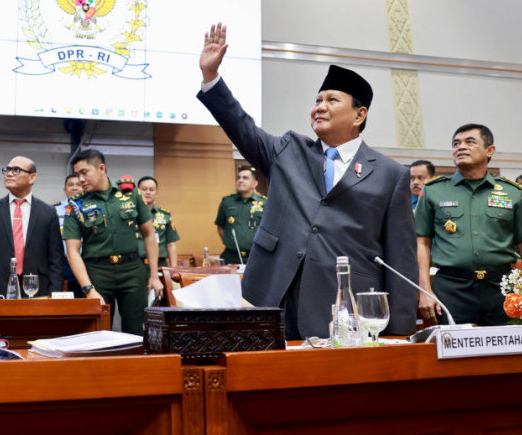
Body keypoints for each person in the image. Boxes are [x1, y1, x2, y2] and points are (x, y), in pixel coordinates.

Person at [197, 22, 418, 340]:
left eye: (331, 100)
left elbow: (401, 261)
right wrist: (211, 78)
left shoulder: (389, 174)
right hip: (272, 293)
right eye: (317, 100)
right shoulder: (288, 150)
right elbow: (241, 125)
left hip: (342, 305)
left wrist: (399, 335)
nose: (319, 107)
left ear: (359, 115)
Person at [415, 124, 522, 326]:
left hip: (503, 288)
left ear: (490, 150)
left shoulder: (512, 193)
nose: (460, 147)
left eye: (469, 142)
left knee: (508, 352)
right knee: (454, 354)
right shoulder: (433, 191)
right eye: (456, 143)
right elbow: (421, 243)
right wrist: (424, 290)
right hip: (451, 289)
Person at [63, 149, 163, 335]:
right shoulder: (76, 205)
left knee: (138, 333)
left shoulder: (130, 194)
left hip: (132, 270)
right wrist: (88, 290)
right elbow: (72, 251)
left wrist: (154, 275)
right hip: (97, 273)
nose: (80, 180)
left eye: (84, 173)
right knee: (100, 334)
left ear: (101, 168)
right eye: (77, 174)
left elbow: (149, 234)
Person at [0, 156, 64, 297]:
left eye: (16, 170)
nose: (9, 174)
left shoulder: (48, 213)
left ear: (32, 177)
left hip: (39, 290)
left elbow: (56, 260)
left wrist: (54, 294)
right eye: (7, 169)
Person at [215, 167, 266, 264]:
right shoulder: (227, 202)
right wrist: (230, 242)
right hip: (231, 257)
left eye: (245, 178)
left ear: (254, 184)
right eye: (239, 178)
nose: (240, 180)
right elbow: (220, 227)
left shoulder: (265, 203)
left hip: (256, 256)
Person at [137, 175, 180, 267]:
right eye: (144, 189)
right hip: (135, 264)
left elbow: (171, 244)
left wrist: (174, 269)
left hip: (159, 264)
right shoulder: (131, 215)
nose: (148, 192)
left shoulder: (165, 216)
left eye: (151, 190)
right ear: (137, 192)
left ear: (157, 193)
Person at [54, 173, 85, 296]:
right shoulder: (54, 210)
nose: (74, 188)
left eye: (78, 184)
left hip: (87, 260)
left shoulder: (91, 208)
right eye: (70, 185)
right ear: (65, 190)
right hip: (64, 262)